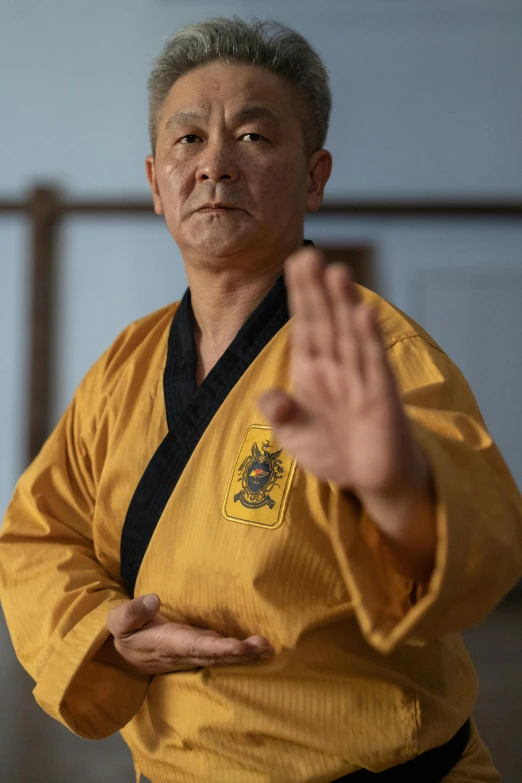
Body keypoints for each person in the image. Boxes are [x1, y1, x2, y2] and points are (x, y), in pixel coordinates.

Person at [1, 16, 521, 783]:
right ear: (156, 184)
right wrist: (104, 635)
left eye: (252, 137)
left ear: (314, 176)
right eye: (188, 140)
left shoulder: (377, 353)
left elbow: (474, 553)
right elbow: (38, 538)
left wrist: (400, 489)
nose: (214, 165)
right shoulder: (126, 365)